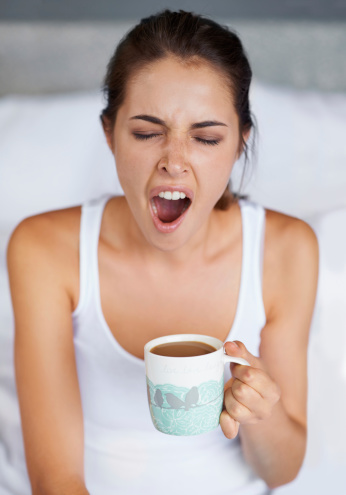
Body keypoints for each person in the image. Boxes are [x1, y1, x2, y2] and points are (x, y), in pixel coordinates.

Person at [7, 9, 318, 495]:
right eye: (148, 133)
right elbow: (56, 478)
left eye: (207, 138)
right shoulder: (44, 250)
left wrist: (259, 412)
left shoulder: (286, 251)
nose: (174, 161)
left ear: (239, 146)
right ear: (109, 136)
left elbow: (281, 471)